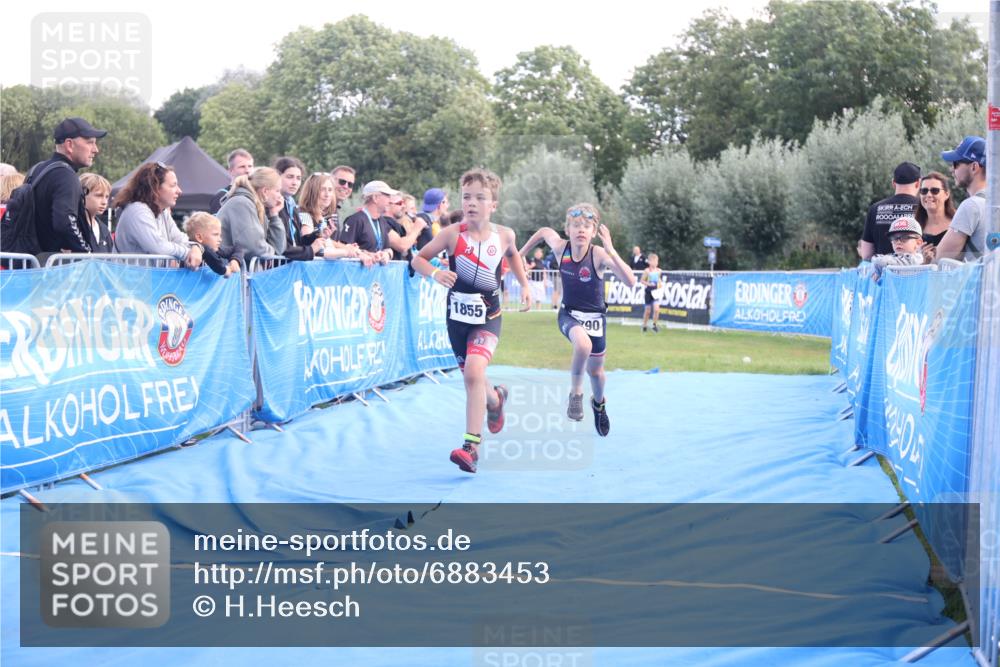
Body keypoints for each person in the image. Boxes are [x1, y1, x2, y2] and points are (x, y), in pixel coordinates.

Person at [411, 168, 532, 474]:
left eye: (481, 197)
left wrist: (525, 286)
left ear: (494, 204)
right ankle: (495, 401)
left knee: (473, 374)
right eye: (467, 197)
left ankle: (471, 448)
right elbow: (418, 258)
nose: (472, 202)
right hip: (457, 319)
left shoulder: (505, 235)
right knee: (475, 379)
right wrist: (437, 273)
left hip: (488, 317)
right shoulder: (451, 235)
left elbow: (513, 255)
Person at [520, 204, 635, 435]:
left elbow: (631, 281)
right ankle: (576, 393)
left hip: (595, 319)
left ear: (593, 232)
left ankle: (599, 404)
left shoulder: (599, 254)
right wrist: (519, 254)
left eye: (586, 226)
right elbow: (544, 231)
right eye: (575, 225)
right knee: (583, 344)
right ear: (567, 229)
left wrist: (611, 249)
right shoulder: (561, 249)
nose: (581, 229)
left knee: (597, 374)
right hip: (569, 314)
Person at [32, 117, 108, 254]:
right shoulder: (66, 176)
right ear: (69, 145)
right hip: (52, 268)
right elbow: (65, 223)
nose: (95, 150)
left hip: (29, 265)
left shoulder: (37, 169)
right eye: (90, 142)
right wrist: (87, 253)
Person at [114, 162, 203, 268]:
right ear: (155, 188)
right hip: (130, 282)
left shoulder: (162, 211)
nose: (179, 191)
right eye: (173, 185)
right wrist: (187, 253)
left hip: (146, 281)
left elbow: (179, 238)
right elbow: (158, 247)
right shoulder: (137, 211)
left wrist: (195, 247)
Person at [216, 167, 289, 261]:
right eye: (277, 191)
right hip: (228, 273)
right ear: (265, 191)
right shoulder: (242, 203)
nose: (280, 196)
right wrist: (272, 254)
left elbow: (278, 249)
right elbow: (253, 249)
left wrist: (274, 214)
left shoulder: (253, 205)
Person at [936, 136, 989, 261]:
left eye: (956, 164)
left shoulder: (972, 206)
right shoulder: (993, 203)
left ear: (974, 167)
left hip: (977, 280)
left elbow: (940, 258)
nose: (951, 169)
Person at [859, 161, 921, 259]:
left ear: (893, 183)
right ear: (918, 183)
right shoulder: (923, 207)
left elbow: (866, 253)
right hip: (915, 271)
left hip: (885, 272)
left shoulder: (875, 208)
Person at [184, 212, 243, 277]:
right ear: (199, 237)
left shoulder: (216, 250)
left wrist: (235, 260)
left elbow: (237, 248)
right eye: (215, 235)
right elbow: (208, 253)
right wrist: (225, 270)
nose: (220, 239)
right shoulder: (190, 251)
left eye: (220, 235)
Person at [913, 171, 955, 263]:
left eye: (935, 190)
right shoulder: (914, 228)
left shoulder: (957, 224)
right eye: (924, 191)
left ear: (947, 194)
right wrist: (924, 261)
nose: (928, 195)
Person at [870, 216, 924, 281]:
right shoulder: (893, 257)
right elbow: (877, 260)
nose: (898, 242)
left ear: (918, 243)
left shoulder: (918, 259)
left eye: (904, 238)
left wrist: (877, 269)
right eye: (894, 238)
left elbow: (879, 261)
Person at [209, 149, 254, 214]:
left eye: (250, 166)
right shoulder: (222, 196)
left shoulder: (256, 194)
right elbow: (216, 223)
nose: (247, 170)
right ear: (231, 171)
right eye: (242, 167)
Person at [79, 173, 114, 253]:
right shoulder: (72, 227)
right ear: (82, 195)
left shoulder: (104, 230)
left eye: (106, 197)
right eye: (99, 196)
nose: (104, 202)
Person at [274, 156, 305, 247]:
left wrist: (317, 236)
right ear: (277, 177)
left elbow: (297, 241)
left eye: (298, 178)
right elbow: (283, 246)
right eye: (290, 177)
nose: (295, 182)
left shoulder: (293, 206)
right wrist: (310, 251)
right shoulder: (271, 205)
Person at [640, 253, 664, 333]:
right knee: (648, 311)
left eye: (656, 261)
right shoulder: (647, 271)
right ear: (650, 262)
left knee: (657, 309)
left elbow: (659, 280)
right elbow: (642, 281)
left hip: (656, 292)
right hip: (648, 292)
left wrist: (660, 284)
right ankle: (644, 325)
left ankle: (654, 325)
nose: (655, 263)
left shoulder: (659, 271)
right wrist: (649, 284)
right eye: (654, 261)